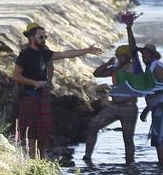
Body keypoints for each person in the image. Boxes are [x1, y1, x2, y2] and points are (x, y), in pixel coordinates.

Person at [11, 24, 101, 158]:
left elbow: (65, 54)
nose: (44, 39)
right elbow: (16, 76)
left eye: (45, 36)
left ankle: (41, 160)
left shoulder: (44, 53)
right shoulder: (25, 55)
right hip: (30, 96)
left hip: (43, 96)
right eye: (41, 37)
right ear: (31, 37)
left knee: (44, 133)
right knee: (31, 134)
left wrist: (86, 50)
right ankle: (31, 160)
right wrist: (34, 82)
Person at [83, 45, 140, 167]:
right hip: (114, 106)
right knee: (93, 125)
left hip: (129, 108)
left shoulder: (132, 69)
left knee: (128, 138)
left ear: (127, 57)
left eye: (121, 56)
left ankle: (130, 163)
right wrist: (108, 64)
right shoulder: (116, 68)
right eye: (117, 56)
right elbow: (96, 73)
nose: (118, 58)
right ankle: (87, 156)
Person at [138, 43, 163, 166]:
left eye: (147, 53)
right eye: (143, 53)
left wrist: (142, 90)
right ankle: (162, 168)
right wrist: (146, 110)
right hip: (158, 107)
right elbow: (152, 94)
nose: (144, 56)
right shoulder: (149, 68)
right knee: (156, 141)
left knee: (159, 140)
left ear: (153, 55)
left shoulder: (158, 67)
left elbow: (162, 88)